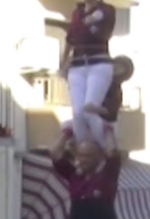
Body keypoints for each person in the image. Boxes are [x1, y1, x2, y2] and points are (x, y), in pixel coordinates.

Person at [61, 0, 116, 148]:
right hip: (77, 66)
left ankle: (106, 147)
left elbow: (93, 22)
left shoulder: (106, 10)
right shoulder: (77, 12)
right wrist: (63, 62)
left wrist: (79, 23)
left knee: (89, 109)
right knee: (77, 113)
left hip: (99, 64)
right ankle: (84, 150)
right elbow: (70, 38)